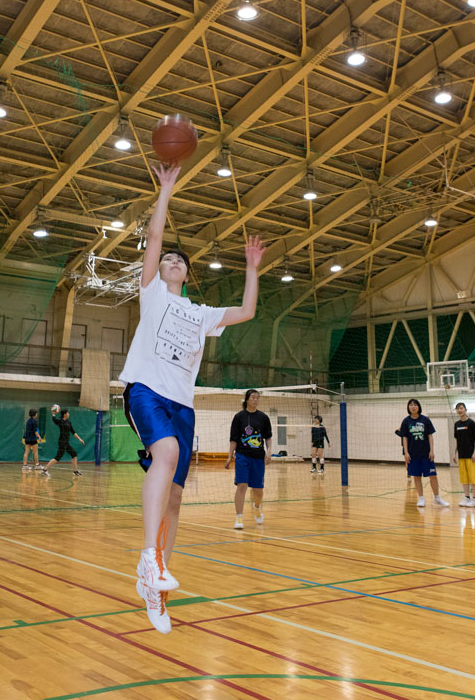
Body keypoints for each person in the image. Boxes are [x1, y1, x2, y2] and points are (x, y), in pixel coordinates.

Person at [119, 163, 265, 634]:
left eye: (182, 261)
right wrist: (165, 191)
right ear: (158, 270)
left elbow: (246, 310)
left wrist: (251, 270)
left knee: (177, 500)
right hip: (146, 390)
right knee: (167, 451)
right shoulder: (153, 296)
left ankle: (156, 589)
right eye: (168, 259)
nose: (174, 261)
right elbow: (157, 238)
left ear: (189, 273)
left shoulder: (200, 313)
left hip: (182, 404)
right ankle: (147, 556)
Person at [225, 389, 272, 529]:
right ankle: (239, 517)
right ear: (247, 399)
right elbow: (233, 439)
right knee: (242, 485)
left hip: (258, 458)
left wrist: (269, 451)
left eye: (258, 398)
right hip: (242, 456)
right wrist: (229, 457)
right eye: (253, 397)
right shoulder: (239, 417)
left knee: (258, 489)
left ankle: (257, 506)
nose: (256, 400)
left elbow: (268, 437)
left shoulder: (263, 417)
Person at [400, 398, 449, 508]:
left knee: (433, 475)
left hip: (426, 454)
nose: (413, 407)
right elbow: (404, 438)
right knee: (416, 477)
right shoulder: (406, 421)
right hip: (413, 455)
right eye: (411, 405)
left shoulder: (425, 420)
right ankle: (421, 498)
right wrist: (406, 453)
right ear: (408, 407)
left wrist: (432, 451)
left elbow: (430, 436)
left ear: (418, 407)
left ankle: (437, 498)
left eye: (415, 405)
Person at [41, 408, 85, 478]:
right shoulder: (60, 422)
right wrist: (53, 414)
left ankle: (75, 471)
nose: (69, 414)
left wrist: (80, 439)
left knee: (74, 454)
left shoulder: (68, 422)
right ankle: (44, 470)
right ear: (65, 414)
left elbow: (73, 432)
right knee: (57, 458)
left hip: (66, 443)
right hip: (62, 442)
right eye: (68, 413)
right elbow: (54, 420)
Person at [453, 401, 475, 508]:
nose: (459, 410)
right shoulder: (456, 425)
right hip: (461, 455)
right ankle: (466, 498)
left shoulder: (471, 423)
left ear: (465, 409)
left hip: (471, 456)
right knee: (464, 478)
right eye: (457, 408)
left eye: (461, 408)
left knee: (473, 478)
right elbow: (456, 440)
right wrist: (454, 453)